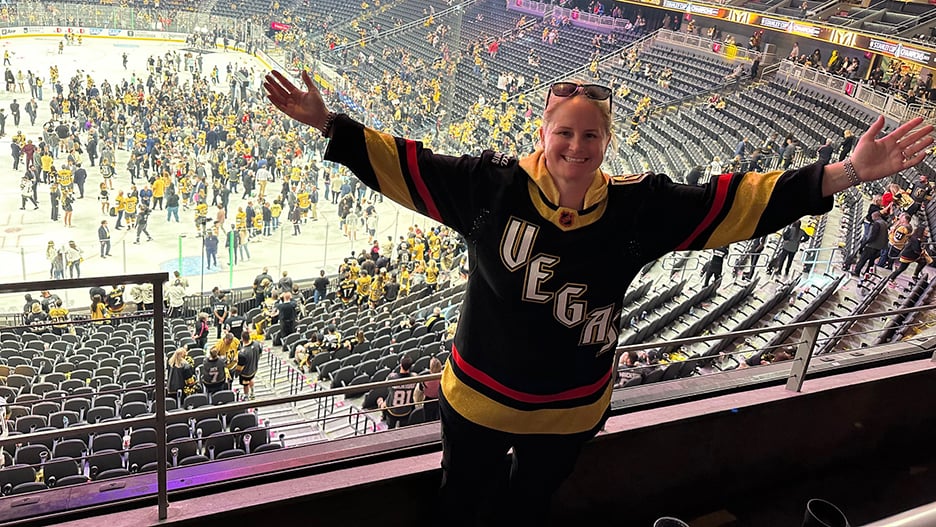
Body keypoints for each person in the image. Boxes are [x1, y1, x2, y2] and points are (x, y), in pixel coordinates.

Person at [264, 69, 933, 525]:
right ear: (543, 135)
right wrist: (330, 124)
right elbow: (402, 162)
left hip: (569, 412)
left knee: (530, 505)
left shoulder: (639, 208)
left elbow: (740, 202)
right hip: (477, 402)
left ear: (605, 143)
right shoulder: (486, 186)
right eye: (565, 132)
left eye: (590, 135)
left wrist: (845, 172)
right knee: (461, 504)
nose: (576, 146)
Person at [378, 355, 417, 429]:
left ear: (400, 365)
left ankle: (384, 417)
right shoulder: (414, 377)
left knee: (381, 399)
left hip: (392, 412)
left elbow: (388, 389)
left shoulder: (392, 377)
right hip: (407, 411)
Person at [236, 328, 261, 400]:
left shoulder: (243, 353)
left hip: (245, 373)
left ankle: (246, 395)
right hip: (254, 368)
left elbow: (240, 367)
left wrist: (236, 374)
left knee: (245, 384)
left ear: (242, 338)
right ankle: (252, 393)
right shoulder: (256, 344)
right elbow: (260, 353)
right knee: (251, 379)